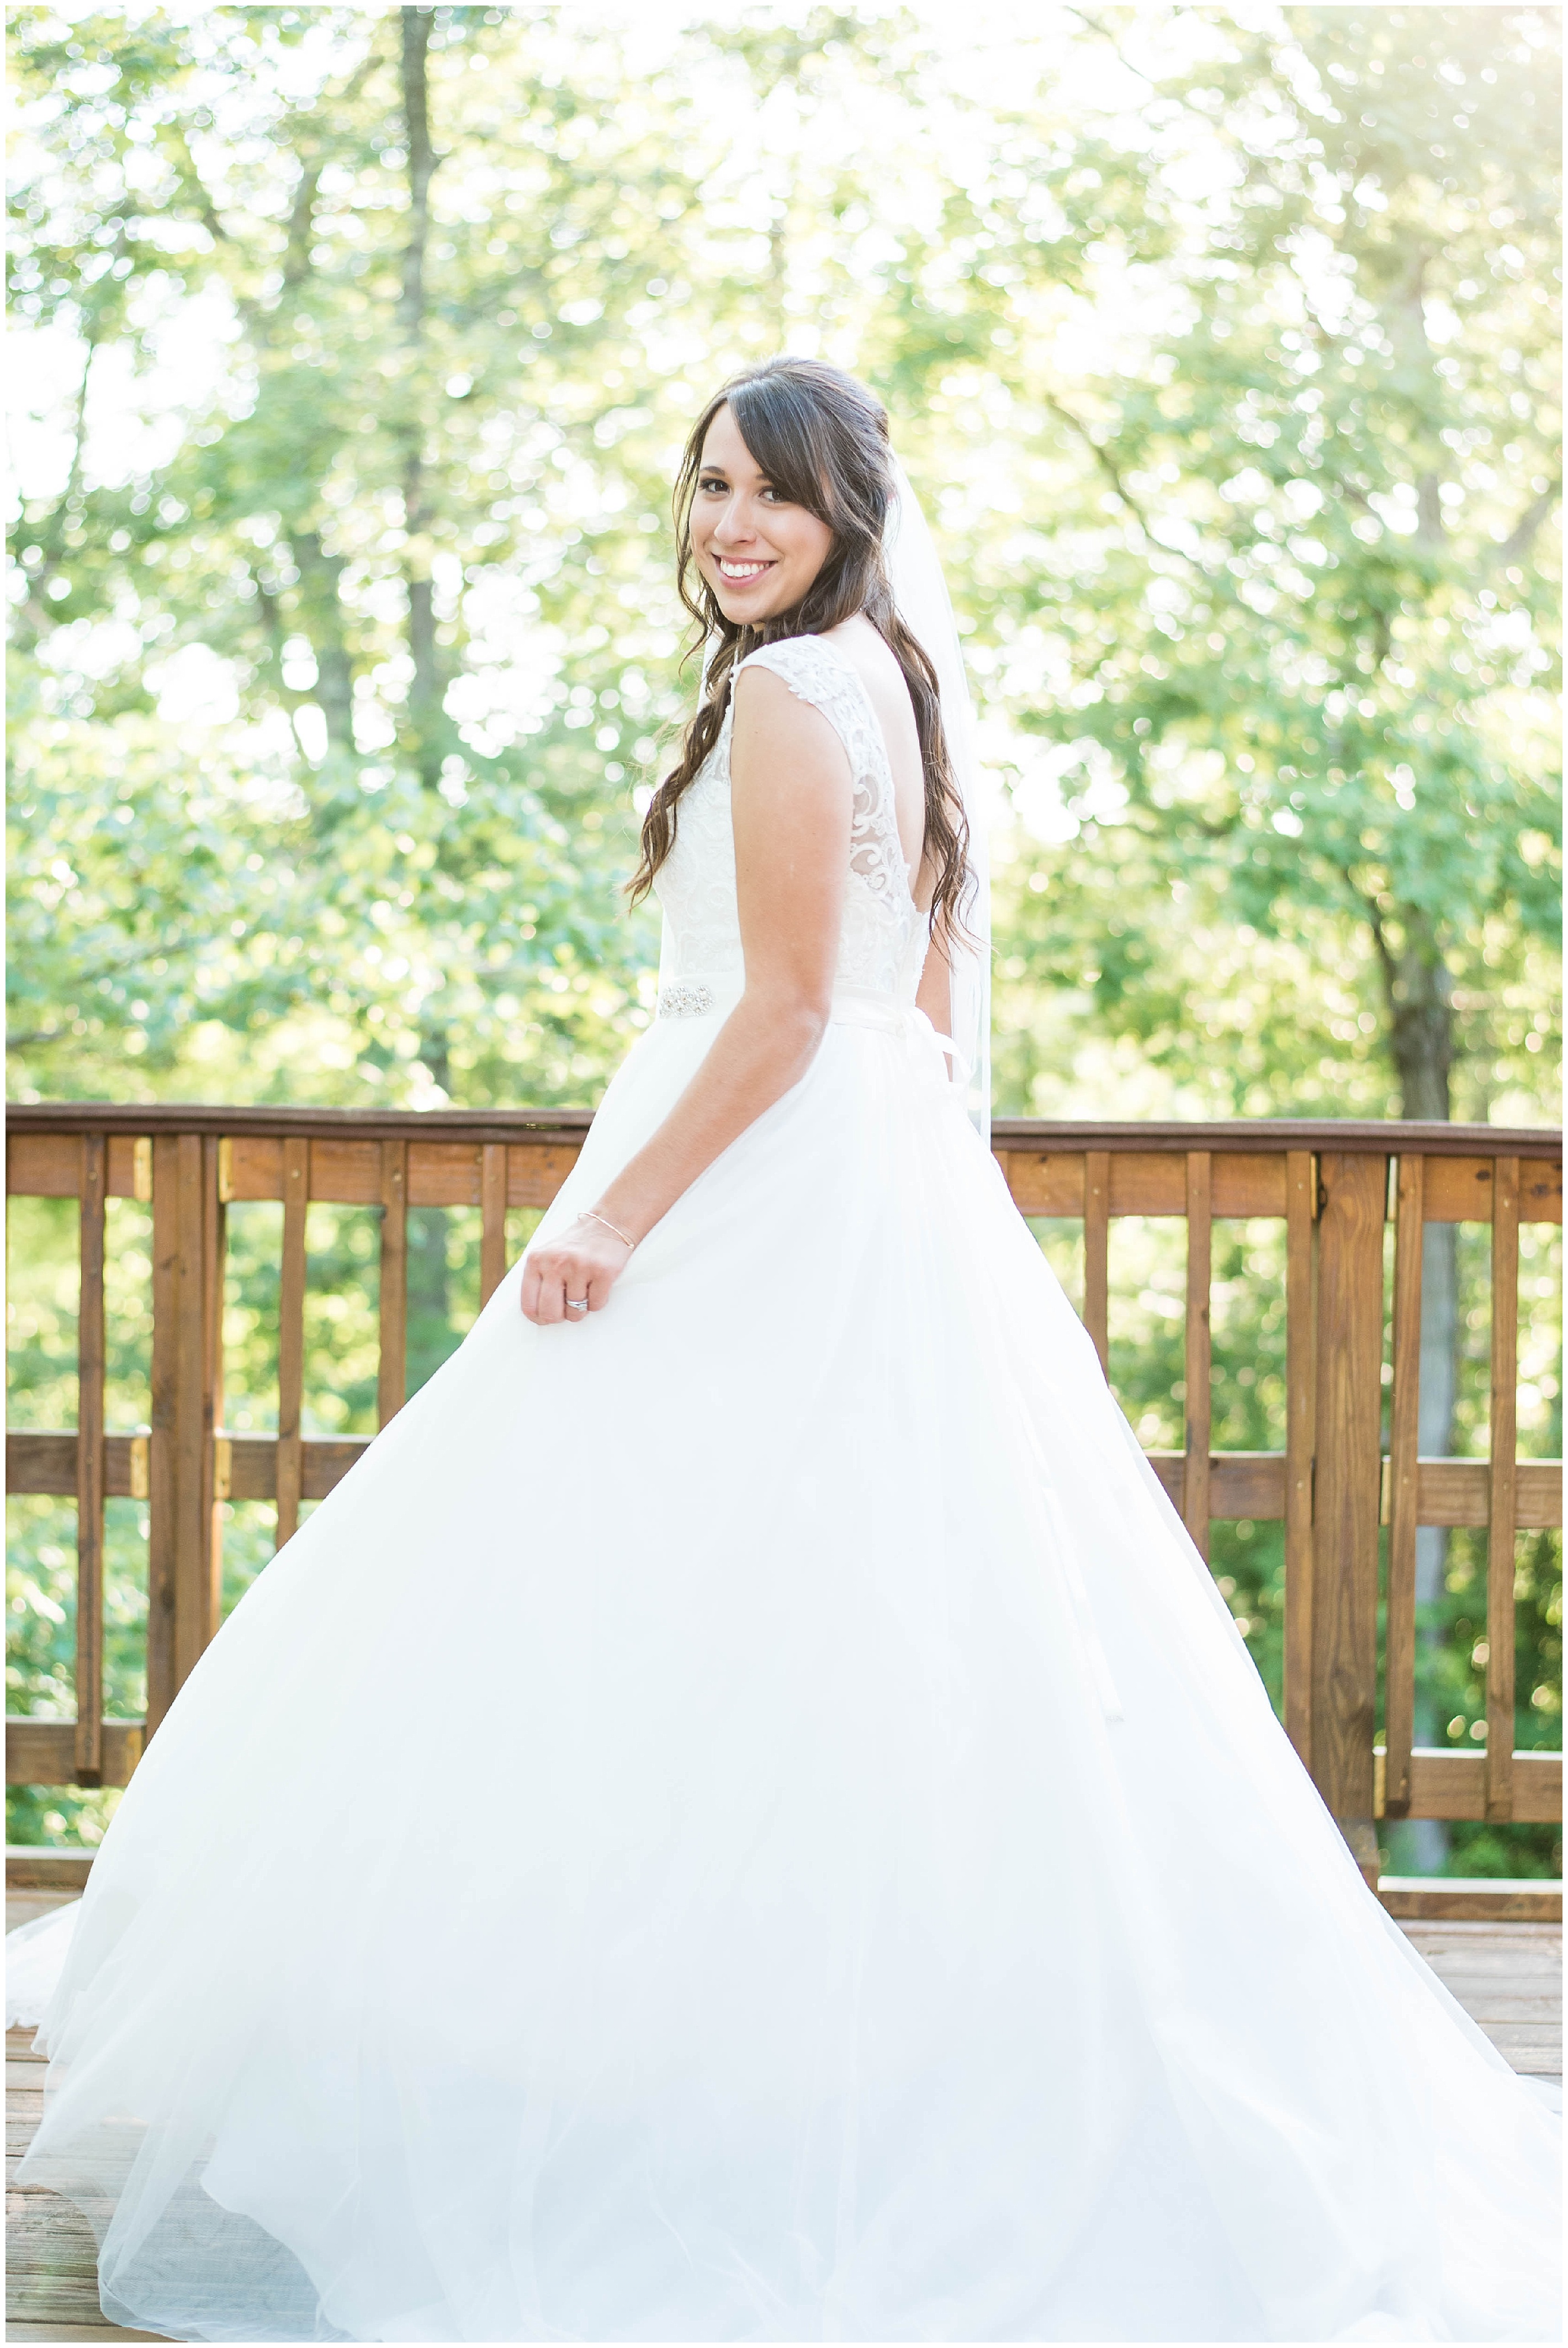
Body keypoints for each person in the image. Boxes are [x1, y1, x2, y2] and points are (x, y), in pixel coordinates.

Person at [9, 358, 1560, 2344]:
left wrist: (609, 1224)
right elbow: (917, 1014)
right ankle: (737, 2073)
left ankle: (647, 2101)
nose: (731, 525)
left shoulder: (788, 696)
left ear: (847, 515)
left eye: (773, 495)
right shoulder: (894, 682)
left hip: (749, 1185)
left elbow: (790, 1009)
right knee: (807, 1626)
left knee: (605, 1604)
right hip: (860, 1185)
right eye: (711, 488)